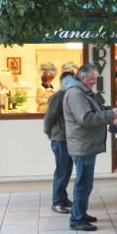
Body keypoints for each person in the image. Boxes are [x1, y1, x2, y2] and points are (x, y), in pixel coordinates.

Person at [64, 63, 117, 231]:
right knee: (83, 183)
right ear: (83, 78)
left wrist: (110, 111)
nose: (95, 82)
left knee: (85, 183)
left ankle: (80, 212)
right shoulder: (75, 94)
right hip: (82, 145)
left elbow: (95, 109)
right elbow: (86, 118)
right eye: (92, 79)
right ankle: (77, 219)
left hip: (85, 144)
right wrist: (110, 114)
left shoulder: (83, 92)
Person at [43, 65, 77, 214]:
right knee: (62, 170)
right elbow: (49, 118)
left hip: (68, 138)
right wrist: (49, 133)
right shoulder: (58, 97)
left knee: (67, 169)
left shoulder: (71, 95)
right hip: (60, 138)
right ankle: (57, 201)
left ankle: (63, 198)